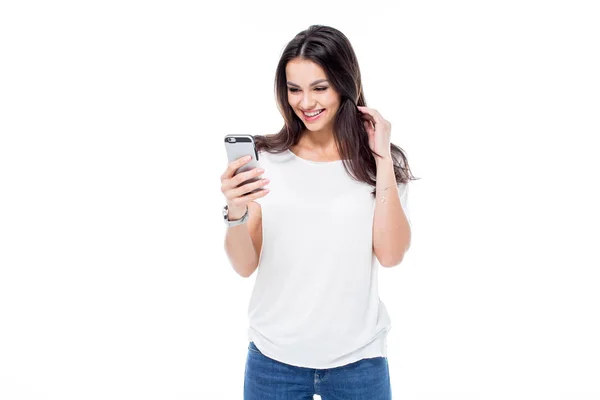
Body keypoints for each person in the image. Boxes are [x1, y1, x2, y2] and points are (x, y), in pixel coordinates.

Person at [221, 24, 418, 400]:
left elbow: (391, 255)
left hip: (359, 362)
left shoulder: (379, 162)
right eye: (294, 89)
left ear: (346, 84)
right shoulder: (265, 160)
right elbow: (245, 265)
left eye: (319, 87)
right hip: (273, 360)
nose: (305, 102)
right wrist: (235, 211)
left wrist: (382, 159)